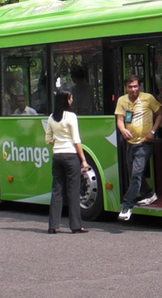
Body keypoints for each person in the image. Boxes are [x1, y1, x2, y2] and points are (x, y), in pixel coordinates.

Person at [115, 75, 162, 221]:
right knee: (134, 174)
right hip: (130, 143)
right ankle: (149, 193)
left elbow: (161, 113)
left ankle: (127, 205)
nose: (133, 89)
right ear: (126, 88)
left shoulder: (148, 98)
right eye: (130, 87)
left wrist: (153, 131)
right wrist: (123, 130)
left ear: (139, 87)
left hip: (145, 143)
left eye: (136, 86)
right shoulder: (121, 100)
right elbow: (120, 120)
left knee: (136, 173)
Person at [45, 90, 90, 234]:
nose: (71, 100)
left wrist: (58, 144)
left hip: (57, 156)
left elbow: (48, 139)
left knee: (57, 190)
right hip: (71, 156)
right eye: (70, 98)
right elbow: (76, 140)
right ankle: (76, 226)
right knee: (73, 191)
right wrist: (83, 160)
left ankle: (53, 226)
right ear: (67, 100)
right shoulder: (71, 116)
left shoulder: (52, 117)